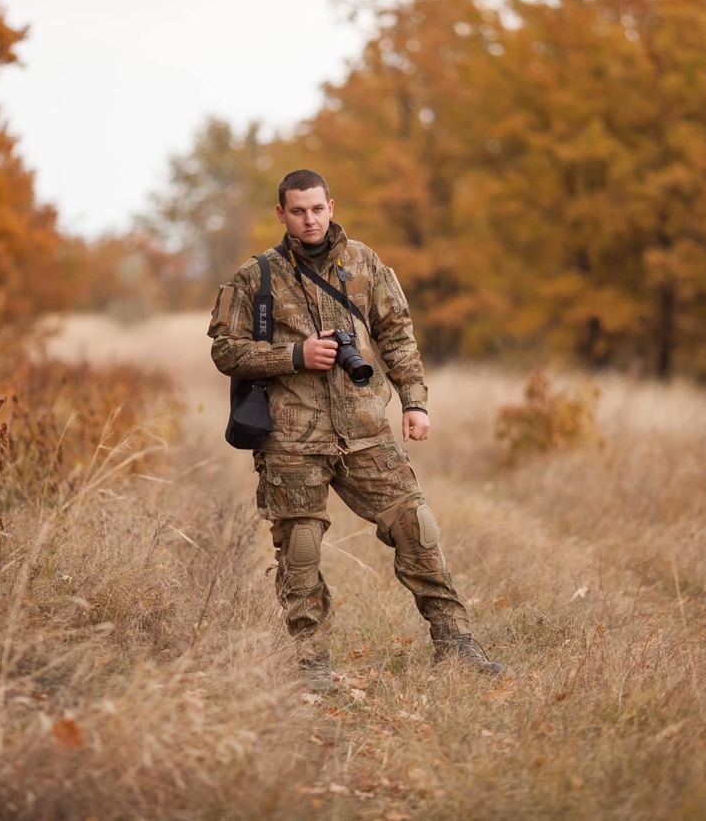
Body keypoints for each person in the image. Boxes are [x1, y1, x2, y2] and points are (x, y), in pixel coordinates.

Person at [207, 169, 503, 691]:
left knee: (417, 526)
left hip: (366, 430)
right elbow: (225, 351)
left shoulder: (364, 263)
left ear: (331, 205)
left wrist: (415, 403)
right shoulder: (257, 277)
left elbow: (397, 335)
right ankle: (311, 662)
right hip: (293, 439)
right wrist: (295, 355)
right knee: (299, 550)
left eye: (317, 208)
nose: (310, 219)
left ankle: (455, 642)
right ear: (282, 214)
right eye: (298, 211)